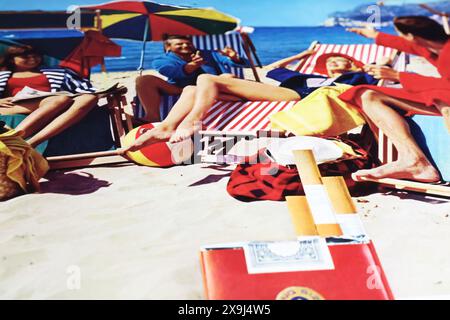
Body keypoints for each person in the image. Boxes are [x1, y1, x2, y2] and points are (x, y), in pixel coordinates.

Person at [122, 50, 377, 153]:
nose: (332, 63)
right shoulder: (310, 74)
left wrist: (370, 68)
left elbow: (375, 82)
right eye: (329, 61)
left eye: (338, 61)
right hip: (276, 89)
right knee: (190, 88)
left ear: (352, 64)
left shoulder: (358, 76)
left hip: (299, 97)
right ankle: (166, 125)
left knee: (209, 79)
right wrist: (306, 54)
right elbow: (272, 68)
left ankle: (187, 123)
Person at [339, 16, 450, 183]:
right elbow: (409, 46)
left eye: (403, 35)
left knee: (443, 102)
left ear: (412, 36)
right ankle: (414, 161)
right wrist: (375, 35)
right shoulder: (436, 48)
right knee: (367, 95)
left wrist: (398, 76)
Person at [0, 45, 99, 148]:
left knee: (89, 98)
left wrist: (102, 92)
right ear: (12, 59)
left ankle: (31, 143)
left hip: (52, 102)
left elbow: (84, 88)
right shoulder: (2, 75)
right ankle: (12, 138)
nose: (32, 58)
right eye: (25, 56)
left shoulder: (58, 72)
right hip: (13, 105)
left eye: (36, 55)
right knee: (59, 99)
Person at [135, 35, 249, 123]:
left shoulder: (209, 54)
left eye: (188, 43)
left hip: (211, 86)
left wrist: (235, 58)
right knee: (143, 80)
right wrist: (192, 65)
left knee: (228, 77)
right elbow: (170, 72)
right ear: (168, 47)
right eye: (180, 44)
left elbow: (235, 63)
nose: (185, 46)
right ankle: (152, 117)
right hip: (179, 88)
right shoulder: (161, 60)